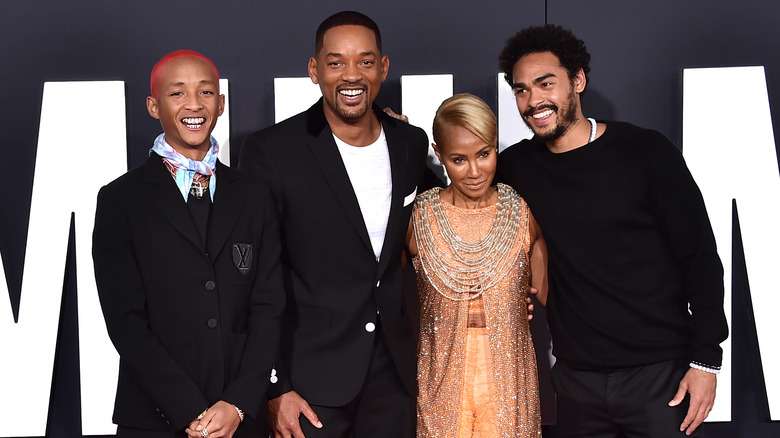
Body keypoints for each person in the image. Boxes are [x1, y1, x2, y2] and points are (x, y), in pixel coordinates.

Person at [496, 25, 729, 437]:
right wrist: (396, 133)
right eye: (521, 90)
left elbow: (700, 258)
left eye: (545, 83)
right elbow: (458, 192)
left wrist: (706, 361)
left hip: (660, 378)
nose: (533, 101)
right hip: (575, 380)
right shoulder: (515, 168)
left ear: (578, 80)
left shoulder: (646, 153)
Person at [239, 11, 439, 438]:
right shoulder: (271, 152)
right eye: (336, 62)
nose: (352, 75)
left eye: (366, 62)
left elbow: (442, 221)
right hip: (309, 384)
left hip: (394, 377)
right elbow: (256, 278)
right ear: (315, 71)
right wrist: (276, 386)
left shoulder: (410, 142)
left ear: (383, 68)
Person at [92, 50, 284, 438]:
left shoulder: (254, 196)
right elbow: (125, 322)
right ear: (153, 105)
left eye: (206, 92)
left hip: (241, 421)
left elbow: (269, 309)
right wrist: (190, 411)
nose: (194, 105)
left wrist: (238, 404)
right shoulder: (120, 200)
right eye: (177, 94)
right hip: (154, 420)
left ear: (222, 103)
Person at [406, 93, 546, 438]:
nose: (474, 171)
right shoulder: (417, 218)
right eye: (458, 159)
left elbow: (563, 298)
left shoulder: (522, 213)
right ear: (439, 155)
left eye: (484, 154)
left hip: (509, 389)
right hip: (439, 388)